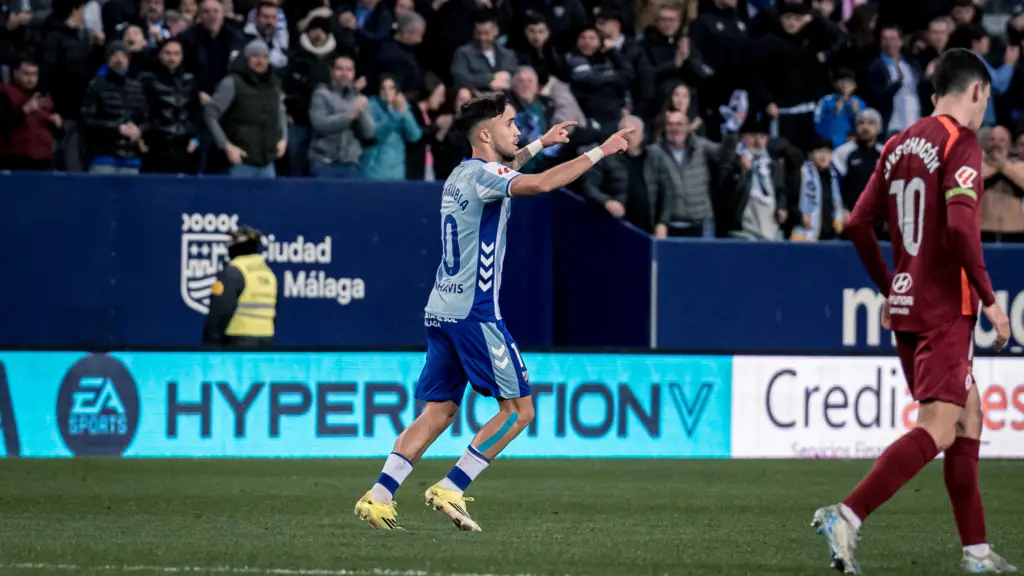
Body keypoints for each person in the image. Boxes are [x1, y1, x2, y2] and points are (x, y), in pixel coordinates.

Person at [353, 92, 630, 531]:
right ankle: (452, 486)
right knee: (520, 411)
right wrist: (601, 150)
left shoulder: (461, 174)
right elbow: (539, 185)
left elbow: (508, 168)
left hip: (441, 309)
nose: (517, 131)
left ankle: (379, 496)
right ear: (486, 133)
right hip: (474, 313)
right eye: (511, 124)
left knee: (439, 412)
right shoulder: (485, 175)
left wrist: (542, 145)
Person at [813, 48, 1016, 574]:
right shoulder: (960, 141)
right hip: (946, 306)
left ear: (932, 95)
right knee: (940, 425)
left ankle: (975, 552)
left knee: (968, 418)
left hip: (906, 307)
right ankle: (847, 514)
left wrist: (890, 283)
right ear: (977, 92)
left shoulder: (900, 142)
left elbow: (857, 223)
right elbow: (959, 226)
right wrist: (991, 301)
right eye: (984, 101)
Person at [202, 226, 278, 349]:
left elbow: (219, 312)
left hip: (237, 340)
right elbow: (274, 310)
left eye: (231, 241)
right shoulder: (269, 274)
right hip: (266, 340)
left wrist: (210, 344)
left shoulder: (232, 272)